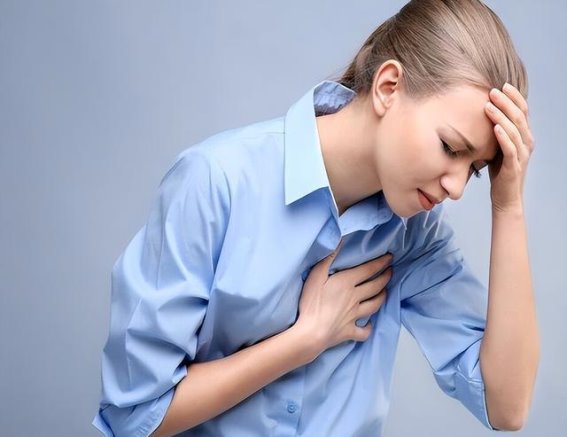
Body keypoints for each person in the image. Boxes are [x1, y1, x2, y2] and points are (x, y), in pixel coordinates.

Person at [92, 0, 539, 436]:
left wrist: (508, 207)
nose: (457, 188)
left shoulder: (414, 236)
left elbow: (506, 407)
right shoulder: (217, 183)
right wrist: (303, 340)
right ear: (388, 87)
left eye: (474, 169)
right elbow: (137, 417)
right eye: (450, 148)